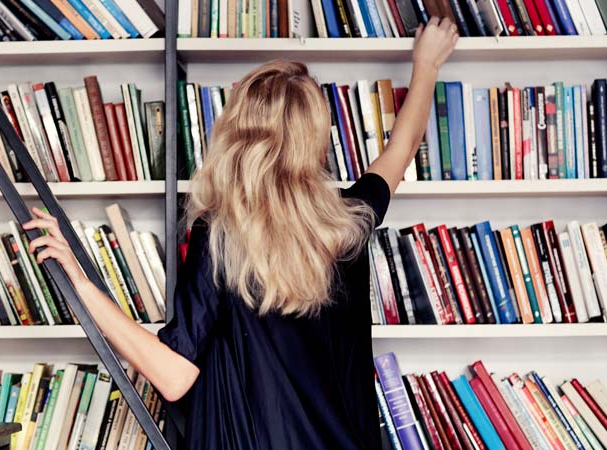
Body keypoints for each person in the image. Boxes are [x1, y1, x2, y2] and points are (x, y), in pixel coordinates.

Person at [24, 17, 458, 450]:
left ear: (234, 133)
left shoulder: (221, 235)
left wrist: (81, 287)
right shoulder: (349, 222)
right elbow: (400, 151)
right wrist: (427, 66)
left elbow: (174, 377)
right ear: (315, 139)